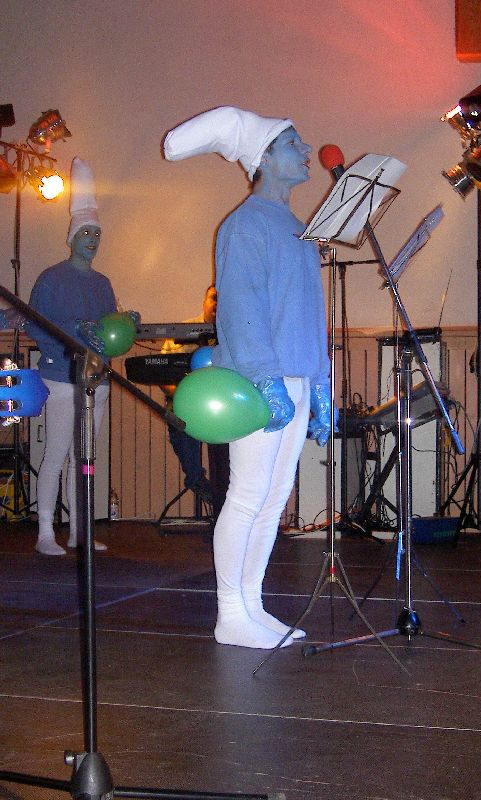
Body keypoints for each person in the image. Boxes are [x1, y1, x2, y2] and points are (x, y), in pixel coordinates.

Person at [164, 106, 335, 649]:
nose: (305, 151)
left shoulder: (298, 228)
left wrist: (321, 380)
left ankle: (252, 605)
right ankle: (231, 613)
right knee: (247, 495)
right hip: (262, 380)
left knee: (274, 496)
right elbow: (241, 309)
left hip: (296, 376)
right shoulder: (244, 225)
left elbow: (308, 312)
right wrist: (265, 379)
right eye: (293, 143)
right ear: (264, 158)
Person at [26, 157, 137, 556]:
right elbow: (35, 326)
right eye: (86, 232)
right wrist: (74, 333)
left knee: (84, 457)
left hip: (96, 380)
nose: (92, 239)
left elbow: (108, 332)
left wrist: (126, 324)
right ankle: (45, 532)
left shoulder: (103, 283)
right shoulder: (51, 278)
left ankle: (79, 531)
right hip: (61, 378)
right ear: (72, 236)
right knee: (56, 454)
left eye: (97, 234)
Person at [160, 285, 230, 520]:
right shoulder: (180, 332)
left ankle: (226, 494)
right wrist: (184, 396)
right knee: (178, 418)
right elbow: (162, 376)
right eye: (213, 298)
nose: (217, 303)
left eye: (222, 299)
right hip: (187, 407)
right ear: (204, 301)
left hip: (223, 410)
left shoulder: (235, 335)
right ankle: (197, 479)